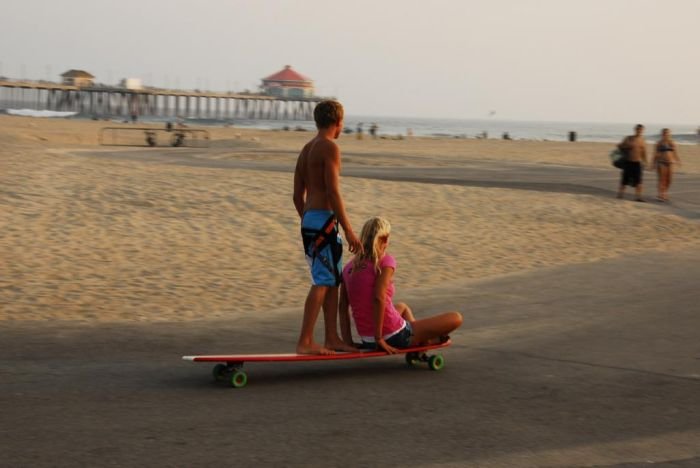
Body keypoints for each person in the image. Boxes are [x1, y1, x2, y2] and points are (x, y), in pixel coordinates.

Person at [293, 100, 363, 355]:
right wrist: (348, 229)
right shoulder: (330, 147)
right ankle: (306, 341)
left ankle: (332, 337)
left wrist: (307, 222)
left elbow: (296, 195)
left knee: (333, 280)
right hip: (323, 221)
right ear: (338, 122)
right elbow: (333, 191)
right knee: (322, 281)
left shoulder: (306, 148)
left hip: (311, 220)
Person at [338, 217, 463, 354]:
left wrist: (348, 342)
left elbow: (343, 306)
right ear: (385, 240)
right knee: (456, 318)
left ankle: (419, 339)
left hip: (367, 339)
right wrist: (379, 338)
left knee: (402, 307)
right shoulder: (385, 261)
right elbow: (378, 298)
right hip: (393, 335)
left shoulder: (348, 268)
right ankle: (419, 340)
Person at [616, 124, 648, 202]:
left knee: (639, 180)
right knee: (624, 179)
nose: (639, 131)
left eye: (641, 130)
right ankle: (620, 195)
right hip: (628, 162)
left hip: (637, 163)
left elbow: (644, 152)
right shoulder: (628, 138)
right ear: (635, 130)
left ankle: (638, 197)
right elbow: (619, 146)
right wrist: (626, 147)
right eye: (638, 129)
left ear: (643, 131)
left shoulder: (643, 140)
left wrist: (645, 161)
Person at [651, 128, 682, 202]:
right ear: (662, 134)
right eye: (664, 133)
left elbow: (675, 153)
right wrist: (653, 163)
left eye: (667, 133)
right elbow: (655, 154)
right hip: (661, 162)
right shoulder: (659, 143)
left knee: (669, 180)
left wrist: (678, 161)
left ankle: (665, 192)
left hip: (670, 163)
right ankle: (661, 194)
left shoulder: (672, 142)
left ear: (670, 134)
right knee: (662, 179)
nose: (666, 134)